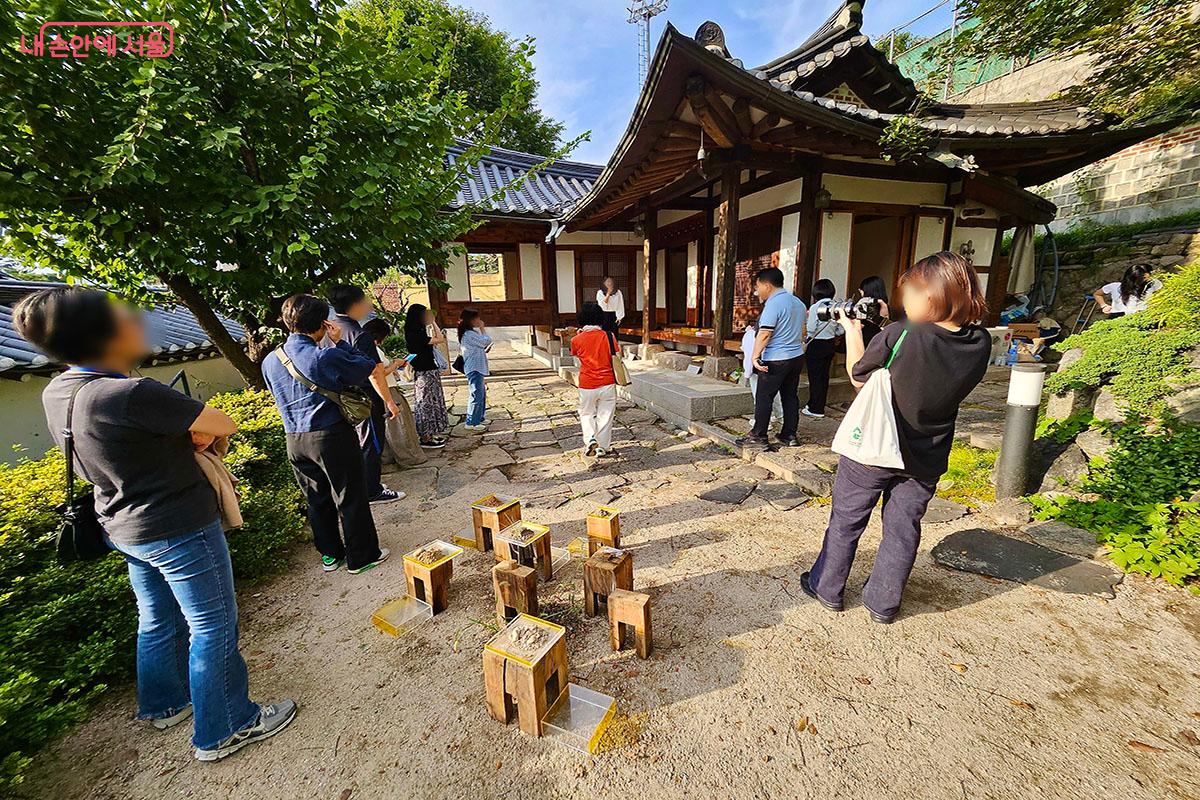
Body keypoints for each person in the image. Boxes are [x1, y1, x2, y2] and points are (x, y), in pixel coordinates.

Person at [13, 287, 296, 762]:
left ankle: (164, 703)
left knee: (157, 616)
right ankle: (227, 725)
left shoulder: (61, 388)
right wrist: (193, 431)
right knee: (213, 626)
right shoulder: (130, 392)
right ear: (103, 333)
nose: (136, 323)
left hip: (122, 525)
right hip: (177, 524)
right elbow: (222, 423)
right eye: (125, 318)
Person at [803, 252, 992, 624]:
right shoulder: (979, 342)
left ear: (931, 294)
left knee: (847, 519)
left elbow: (860, 377)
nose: (904, 300)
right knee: (903, 529)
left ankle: (827, 588)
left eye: (910, 292)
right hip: (927, 453)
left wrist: (854, 331)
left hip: (874, 448)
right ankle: (883, 602)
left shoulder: (902, 333)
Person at [263, 294, 392, 575]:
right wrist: (340, 341)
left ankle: (330, 554)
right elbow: (366, 365)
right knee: (349, 494)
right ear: (323, 322)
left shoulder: (272, 360)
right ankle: (361, 556)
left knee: (316, 497)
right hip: (330, 435)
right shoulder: (325, 356)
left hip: (294, 438)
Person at [326, 285, 404, 504]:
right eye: (366, 300)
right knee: (371, 444)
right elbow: (375, 374)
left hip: (339, 397)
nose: (370, 304)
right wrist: (389, 401)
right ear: (356, 305)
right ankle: (372, 490)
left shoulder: (330, 330)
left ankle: (364, 483)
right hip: (364, 399)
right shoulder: (360, 336)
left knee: (355, 444)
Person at [736, 267, 807, 450]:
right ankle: (789, 434)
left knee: (764, 397)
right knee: (790, 396)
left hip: (776, 358)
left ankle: (758, 436)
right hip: (796, 356)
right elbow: (804, 331)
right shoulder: (798, 303)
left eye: (758, 286)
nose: (757, 290)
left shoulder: (774, 304)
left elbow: (765, 334)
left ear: (767, 285)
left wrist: (755, 357)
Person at [360, 317, 427, 468]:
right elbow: (379, 372)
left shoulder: (366, 347)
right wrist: (396, 365)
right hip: (387, 390)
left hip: (382, 389)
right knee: (399, 425)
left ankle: (388, 457)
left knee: (388, 427)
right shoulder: (372, 349)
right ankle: (409, 457)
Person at [570, 302, 619, 457]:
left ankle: (590, 438)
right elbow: (617, 357)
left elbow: (577, 358)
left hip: (587, 383)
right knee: (605, 415)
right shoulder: (609, 336)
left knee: (586, 413)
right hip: (607, 382)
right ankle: (602, 447)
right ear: (600, 318)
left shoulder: (576, 340)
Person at [404, 304, 449, 449]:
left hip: (430, 370)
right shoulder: (414, 335)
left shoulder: (419, 331)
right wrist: (434, 322)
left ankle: (431, 433)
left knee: (432, 402)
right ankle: (425, 436)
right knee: (425, 404)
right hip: (424, 373)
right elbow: (440, 339)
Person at [803, 278, 843, 419]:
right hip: (829, 344)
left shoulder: (815, 308)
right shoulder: (836, 307)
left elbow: (811, 328)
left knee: (815, 378)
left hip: (816, 345)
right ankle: (817, 404)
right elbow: (841, 329)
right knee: (824, 377)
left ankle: (815, 408)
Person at [457, 308, 493, 432]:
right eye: (477, 318)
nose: (479, 320)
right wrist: (483, 328)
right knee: (476, 394)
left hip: (477, 367)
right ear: (471, 320)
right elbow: (486, 340)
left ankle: (480, 417)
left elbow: (480, 345)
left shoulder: (471, 333)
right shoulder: (469, 334)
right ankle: (471, 421)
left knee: (481, 394)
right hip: (474, 368)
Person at [740, 321, 783, 422]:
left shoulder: (750, 335)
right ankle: (781, 415)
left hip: (757, 367)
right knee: (775, 393)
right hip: (774, 365)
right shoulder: (776, 334)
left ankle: (762, 421)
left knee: (759, 395)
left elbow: (744, 348)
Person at [1094, 264, 1162, 317]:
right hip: (1118, 317)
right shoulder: (1115, 287)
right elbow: (1097, 294)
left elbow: (1162, 294)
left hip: (1143, 315)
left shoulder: (1152, 285)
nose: (1146, 280)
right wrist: (1104, 305)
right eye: (1143, 278)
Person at [858, 275, 892, 347]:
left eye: (862, 289)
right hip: (881, 344)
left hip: (866, 343)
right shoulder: (885, 306)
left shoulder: (862, 306)